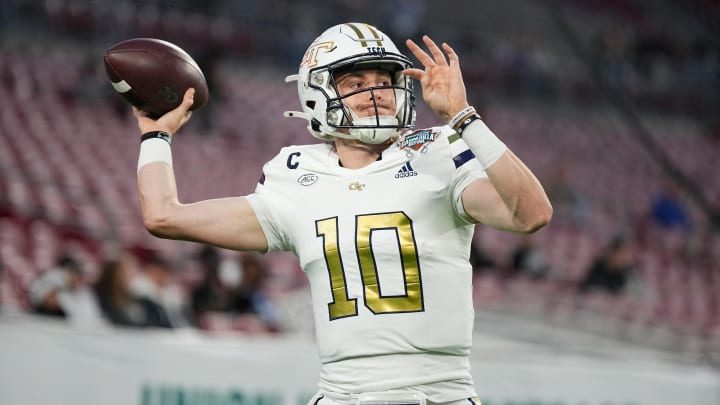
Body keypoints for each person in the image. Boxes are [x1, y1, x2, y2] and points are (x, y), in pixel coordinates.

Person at [132, 23, 552, 405]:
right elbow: (164, 216)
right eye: (356, 81)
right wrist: (155, 136)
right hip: (341, 395)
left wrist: (464, 118)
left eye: (384, 80)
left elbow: (530, 214)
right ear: (317, 93)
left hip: (440, 394)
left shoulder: (438, 150)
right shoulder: (295, 176)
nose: (377, 92)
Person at [28, 254, 104, 325]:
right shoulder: (51, 286)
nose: (74, 277)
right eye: (71, 272)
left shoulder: (85, 295)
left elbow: (93, 319)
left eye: (77, 274)